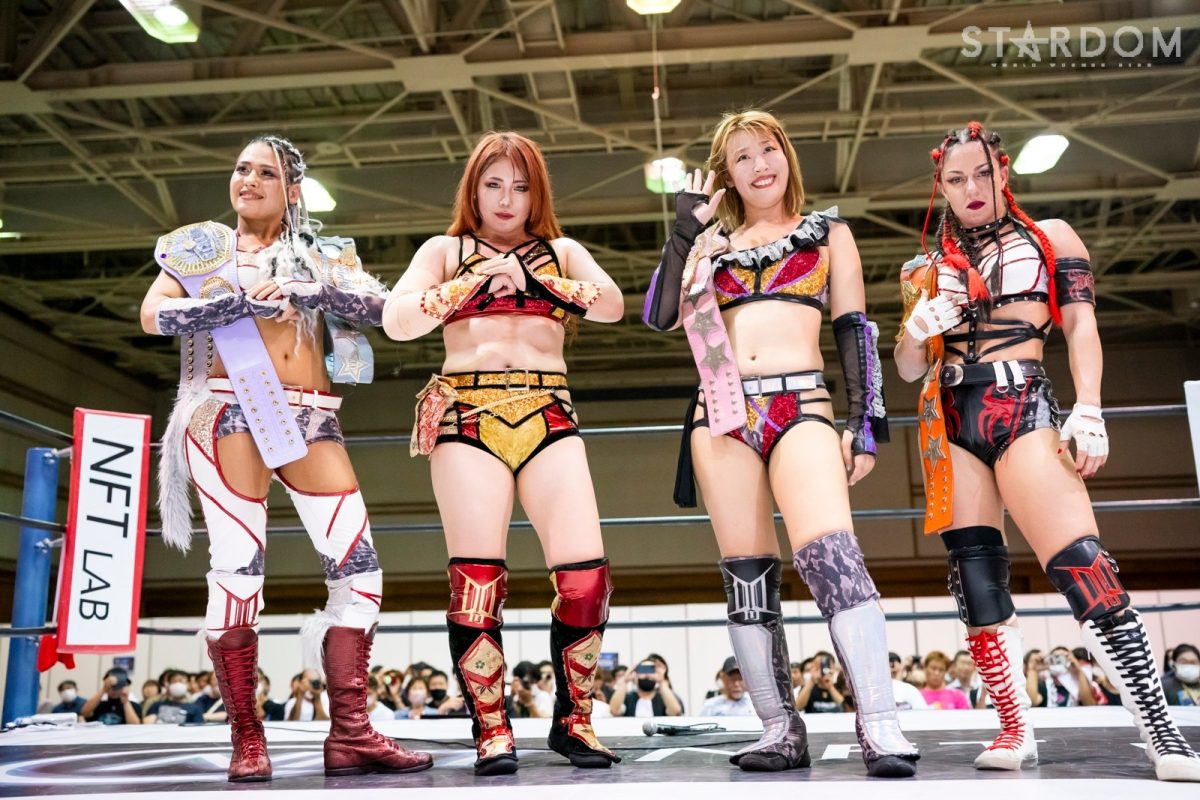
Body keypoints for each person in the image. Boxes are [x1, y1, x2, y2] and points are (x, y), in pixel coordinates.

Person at [893, 120, 1200, 781]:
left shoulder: (1050, 236)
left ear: (1003, 171)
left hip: (1022, 402)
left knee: (1082, 562)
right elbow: (908, 367)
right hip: (949, 415)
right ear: (940, 185)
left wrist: (1090, 407)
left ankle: (1162, 732)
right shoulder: (926, 265)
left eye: (981, 173)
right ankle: (1013, 726)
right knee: (974, 575)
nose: (971, 188)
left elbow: (1082, 324)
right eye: (955, 178)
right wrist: (916, 330)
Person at [140, 134, 431, 781]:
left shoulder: (324, 255)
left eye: (265, 172)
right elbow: (153, 315)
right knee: (237, 573)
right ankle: (248, 739)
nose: (248, 180)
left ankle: (350, 733)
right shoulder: (202, 248)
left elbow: (383, 311)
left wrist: (318, 291)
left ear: (292, 188)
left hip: (311, 417)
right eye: (241, 168)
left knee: (360, 572)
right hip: (227, 411)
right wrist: (233, 303)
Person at [642, 109, 917, 778]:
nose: (759, 164)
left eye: (767, 149)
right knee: (746, 576)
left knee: (832, 558)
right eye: (742, 157)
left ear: (786, 154)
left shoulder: (829, 234)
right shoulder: (710, 245)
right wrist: (684, 231)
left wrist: (866, 423)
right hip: (722, 414)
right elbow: (658, 315)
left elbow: (855, 329)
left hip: (802, 405)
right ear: (726, 175)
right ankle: (777, 728)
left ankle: (879, 722)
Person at [381, 131, 624, 776]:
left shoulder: (562, 250)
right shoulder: (444, 250)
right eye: (493, 184)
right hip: (468, 412)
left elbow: (613, 306)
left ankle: (575, 722)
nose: (507, 198)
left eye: (520, 186)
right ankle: (491, 729)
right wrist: (469, 285)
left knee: (586, 577)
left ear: (537, 193)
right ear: (473, 189)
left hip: (550, 410)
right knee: (476, 580)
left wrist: (537, 281)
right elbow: (396, 319)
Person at [609, 659, 684, 718]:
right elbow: (614, 710)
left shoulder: (663, 699)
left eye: (651, 670)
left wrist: (661, 681)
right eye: (643, 670)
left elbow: (675, 712)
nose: (647, 675)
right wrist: (625, 681)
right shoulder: (629, 698)